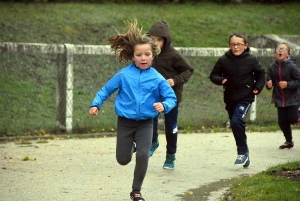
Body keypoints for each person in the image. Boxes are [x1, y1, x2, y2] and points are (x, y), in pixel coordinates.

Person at [89, 20, 177, 201]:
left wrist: (164, 105)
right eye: (139, 55)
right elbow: (106, 90)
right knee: (123, 159)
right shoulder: (123, 75)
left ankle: (136, 191)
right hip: (125, 122)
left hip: (146, 123)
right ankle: (131, 147)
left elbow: (171, 98)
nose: (143, 58)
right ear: (133, 56)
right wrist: (95, 104)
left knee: (144, 155)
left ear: (153, 56)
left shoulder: (157, 78)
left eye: (147, 54)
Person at [209, 32, 265, 168]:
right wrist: (221, 80)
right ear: (229, 45)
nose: (236, 47)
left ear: (245, 46)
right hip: (230, 97)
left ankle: (242, 152)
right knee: (236, 125)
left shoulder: (251, 59)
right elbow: (213, 75)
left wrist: (257, 87)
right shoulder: (224, 59)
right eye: (233, 44)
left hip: (246, 96)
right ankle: (245, 153)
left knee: (235, 120)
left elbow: (261, 74)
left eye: (239, 44)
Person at [146, 20, 194, 169]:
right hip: (154, 95)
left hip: (171, 97)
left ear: (165, 40)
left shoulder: (173, 55)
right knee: (149, 118)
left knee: (170, 125)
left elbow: (188, 70)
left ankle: (170, 156)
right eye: (152, 39)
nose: (155, 42)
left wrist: (175, 80)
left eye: (159, 40)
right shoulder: (148, 53)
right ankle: (153, 142)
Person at [266, 43, 300, 149]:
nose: (280, 50)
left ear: (288, 53)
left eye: (283, 49)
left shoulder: (292, 66)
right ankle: (289, 141)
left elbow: (299, 80)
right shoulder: (272, 67)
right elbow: (268, 79)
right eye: (278, 49)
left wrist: (288, 84)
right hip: (279, 98)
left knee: (293, 118)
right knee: (282, 122)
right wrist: (268, 84)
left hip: (293, 97)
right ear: (275, 53)